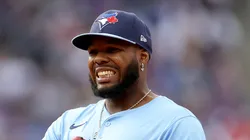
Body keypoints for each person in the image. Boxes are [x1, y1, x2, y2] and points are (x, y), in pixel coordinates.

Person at [42, 10, 206, 140]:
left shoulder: (176, 124)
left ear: (142, 57)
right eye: (93, 52)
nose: (98, 59)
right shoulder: (68, 123)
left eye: (112, 50)